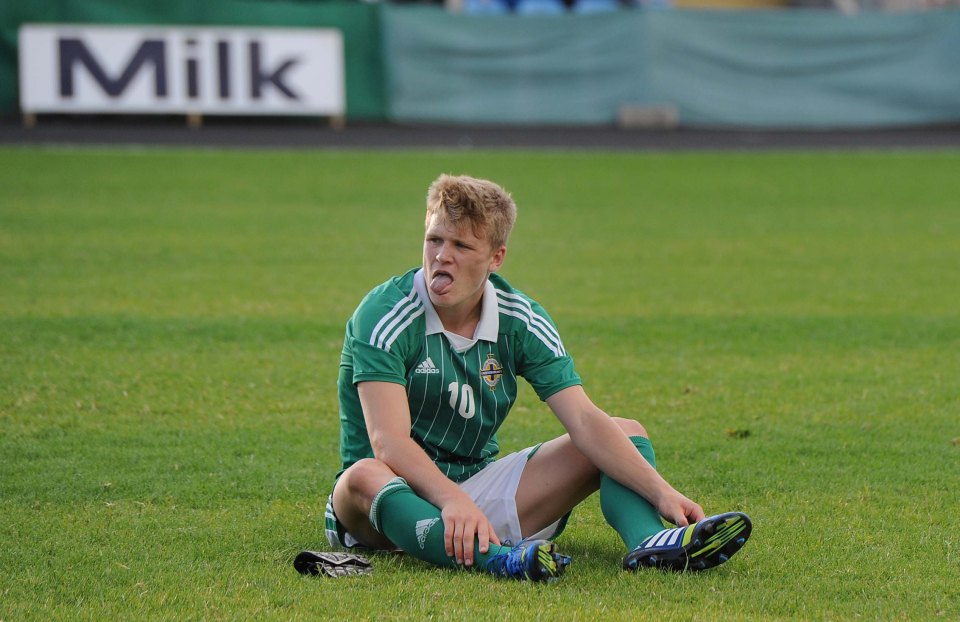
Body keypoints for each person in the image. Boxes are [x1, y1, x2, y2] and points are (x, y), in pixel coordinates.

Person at [323, 174, 751, 581]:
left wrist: (661, 492)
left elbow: (582, 420)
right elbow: (389, 442)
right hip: (379, 510)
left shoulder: (520, 319)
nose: (441, 255)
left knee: (624, 432)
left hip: (472, 493)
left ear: (496, 258)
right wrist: (450, 500)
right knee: (364, 473)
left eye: (461, 245)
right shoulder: (384, 315)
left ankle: (653, 544)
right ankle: (501, 562)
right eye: (434, 239)